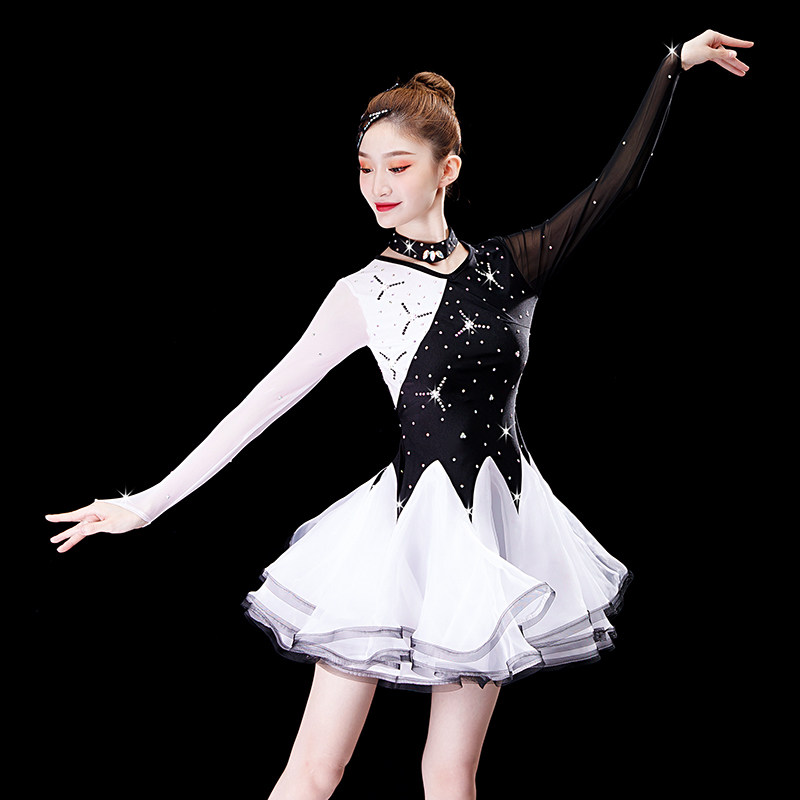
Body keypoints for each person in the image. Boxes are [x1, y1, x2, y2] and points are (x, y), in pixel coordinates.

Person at [46, 29, 752, 800]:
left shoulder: (511, 266)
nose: (377, 185)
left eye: (399, 165)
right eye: (365, 167)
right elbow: (261, 405)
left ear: (448, 169)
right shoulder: (361, 294)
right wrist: (147, 504)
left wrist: (672, 65)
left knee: (450, 772)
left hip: (495, 536)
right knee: (316, 769)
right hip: (400, 534)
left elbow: (612, 187)